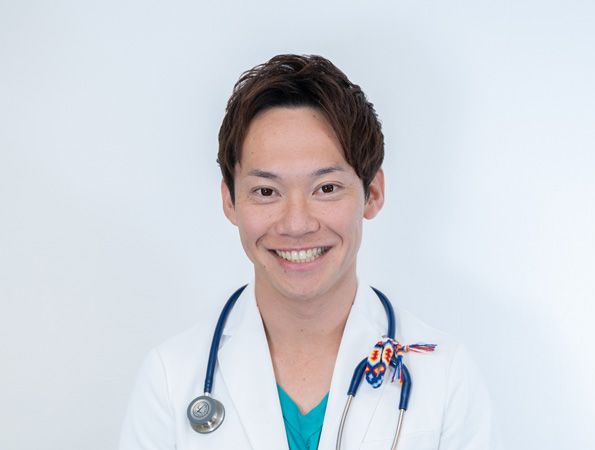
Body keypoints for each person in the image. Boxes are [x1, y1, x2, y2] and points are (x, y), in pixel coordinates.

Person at [119, 54, 496, 450]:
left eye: (326, 188)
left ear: (372, 193)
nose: (296, 224)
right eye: (266, 191)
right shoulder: (170, 378)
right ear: (229, 201)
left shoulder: (444, 376)